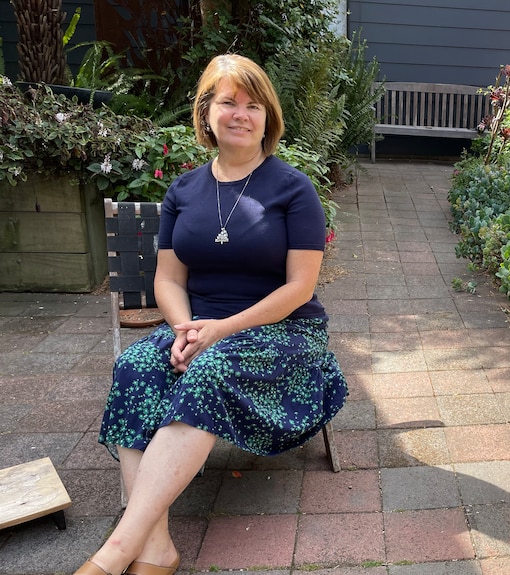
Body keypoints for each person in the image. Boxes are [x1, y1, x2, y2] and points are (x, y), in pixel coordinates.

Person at [75, 54, 348, 575]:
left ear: (268, 117)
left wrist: (220, 331)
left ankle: (113, 555)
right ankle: (155, 548)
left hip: (281, 330)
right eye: (228, 102)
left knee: (210, 370)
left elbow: (299, 288)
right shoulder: (184, 190)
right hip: (197, 327)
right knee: (136, 366)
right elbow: (168, 280)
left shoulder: (294, 189)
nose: (240, 113)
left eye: (253, 105)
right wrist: (184, 327)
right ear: (207, 113)